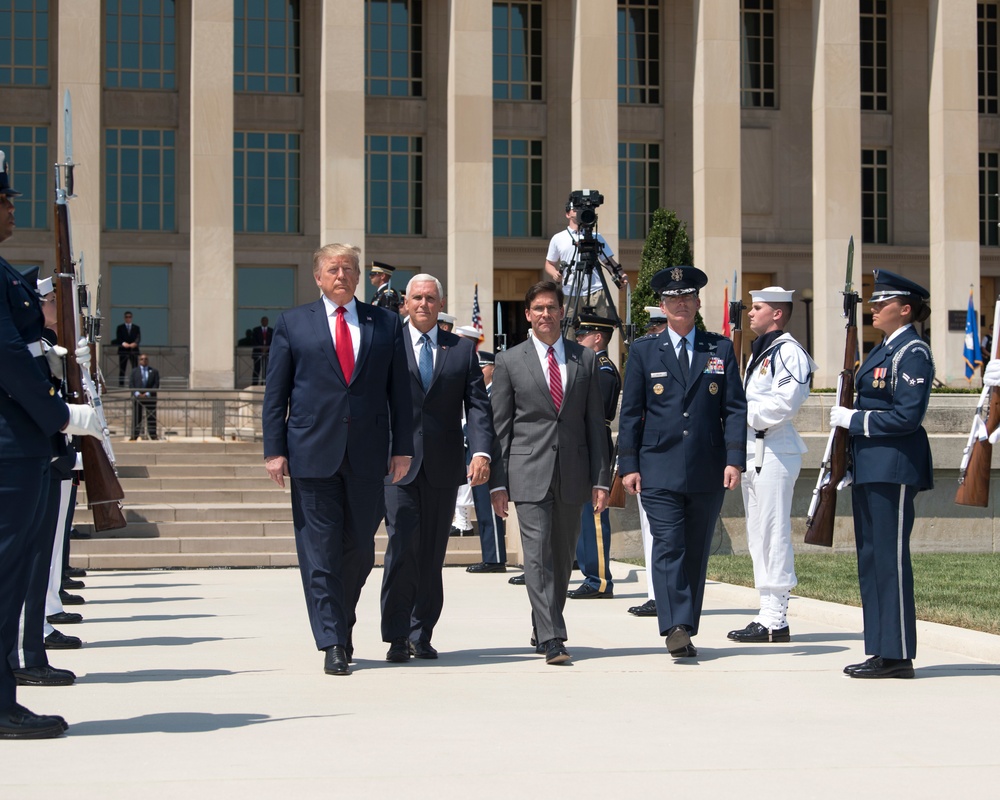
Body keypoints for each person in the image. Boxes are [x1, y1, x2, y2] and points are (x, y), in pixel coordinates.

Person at [262, 243, 412, 677]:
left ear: (359, 275)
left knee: (360, 550)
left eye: (349, 268)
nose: (342, 275)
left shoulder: (384, 322)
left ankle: (338, 623)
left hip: (368, 456)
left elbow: (399, 392)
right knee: (320, 550)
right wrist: (275, 450)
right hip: (311, 453)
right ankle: (332, 640)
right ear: (318, 276)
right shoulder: (294, 324)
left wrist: (401, 448)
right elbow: (276, 394)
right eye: (334, 269)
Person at [0, 150, 103, 738]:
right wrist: (61, 414)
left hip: (23, 443)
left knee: (14, 578)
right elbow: (10, 358)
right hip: (12, 446)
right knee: (7, 574)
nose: (13, 210)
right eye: (6, 201)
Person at [617, 266, 746, 660]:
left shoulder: (719, 349)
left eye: (687, 298)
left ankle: (686, 626)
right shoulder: (643, 351)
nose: (681, 304)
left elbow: (735, 408)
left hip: (707, 467)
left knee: (695, 550)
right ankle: (674, 626)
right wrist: (628, 464)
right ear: (663, 305)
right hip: (657, 466)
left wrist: (734, 458)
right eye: (673, 299)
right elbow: (631, 412)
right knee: (668, 544)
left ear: (697, 303)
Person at [489, 281, 610, 665]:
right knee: (537, 556)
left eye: (551, 307)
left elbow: (595, 424)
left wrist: (601, 479)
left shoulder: (584, 360)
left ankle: (543, 623)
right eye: (538, 308)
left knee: (561, 557)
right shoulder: (509, 361)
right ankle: (554, 637)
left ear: (562, 313)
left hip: (573, 474)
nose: (545, 314)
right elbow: (500, 427)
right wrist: (498, 481)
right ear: (528, 315)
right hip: (528, 472)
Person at [379, 276, 496, 662]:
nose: (424, 304)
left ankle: (421, 632)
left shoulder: (461, 350)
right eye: (417, 298)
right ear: (405, 304)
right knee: (402, 548)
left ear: (440, 302)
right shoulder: (388, 345)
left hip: (445, 468)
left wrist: (481, 453)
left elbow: (479, 406)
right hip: (398, 467)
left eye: (431, 298)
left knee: (431, 553)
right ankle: (397, 635)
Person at [831, 269, 934, 680]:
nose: (874, 307)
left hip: (893, 465)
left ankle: (898, 653)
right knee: (871, 559)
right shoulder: (883, 350)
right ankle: (880, 648)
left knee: (889, 560)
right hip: (872, 466)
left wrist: (855, 421)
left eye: (882, 303)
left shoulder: (913, 352)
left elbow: (908, 417)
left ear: (905, 309)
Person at [727, 287, 816, 644]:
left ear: (777, 313)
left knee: (773, 532)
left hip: (775, 449)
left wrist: (738, 415)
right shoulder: (762, 351)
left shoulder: (790, 353)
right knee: (758, 534)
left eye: (758, 307)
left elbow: (784, 405)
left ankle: (776, 617)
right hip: (754, 449)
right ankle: (767, 612)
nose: (750, 313)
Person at [567, 315, 621, 600]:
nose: (578, 339)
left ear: (598, 337)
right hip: (582, 443)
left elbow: (593, 412)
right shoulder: (589, 366)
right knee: (584, 514)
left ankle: (599, 578)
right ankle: (589, 572)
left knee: (596, 513)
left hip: (595, 444)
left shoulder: (603, 369)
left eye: (583, 335)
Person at [628, 306, 668, 618]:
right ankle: (656, 593)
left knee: (660, 533)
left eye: (655, 329)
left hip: (660, 454)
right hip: (646, 454)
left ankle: (662, 595)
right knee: (649, 531)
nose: (652, 335)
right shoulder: (645, 357)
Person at [544, 198, 616, 329]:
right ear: (567, 214)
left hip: (595, 290)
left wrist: (621, 275)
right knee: (568, 330)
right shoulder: (558, 238)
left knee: (598, 329)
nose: (578, 212)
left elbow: (608, 261)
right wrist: (555, 274)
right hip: (570, 291)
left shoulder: (596, 236)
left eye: (580, 209)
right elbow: (549, 263)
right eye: (575, 209)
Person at [466, 351, 508, 574]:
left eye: (484, 366)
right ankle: (490, 555)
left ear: (493, 368)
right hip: (476, 454)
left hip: (492, 456)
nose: (481, 371)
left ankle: (495, 558)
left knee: (490, 509)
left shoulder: (497, 392)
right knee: (482, 509)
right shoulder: (479, 392)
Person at [129, 354, 159, 440]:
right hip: (137, 398)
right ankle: (134, 435)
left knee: (151, 416)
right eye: (142, 359)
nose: (144, 360)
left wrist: (148, 393)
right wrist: (137, 393)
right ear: (139, 361)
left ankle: (153, 435)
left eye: (146, 359)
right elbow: (131, 384)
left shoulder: (154, 371)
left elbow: (156, 384)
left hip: (150, 398)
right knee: (136, 417)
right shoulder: (134, 371)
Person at [114, 310, 141, 387]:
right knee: (122, 368)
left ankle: (135, 384)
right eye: (126, 317)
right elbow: (118, 338)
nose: (128, 318)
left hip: (133, 351)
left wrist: (134, 343)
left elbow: (138, 338)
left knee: (135, 368)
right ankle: (121, 384)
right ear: (124, 318)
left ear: (131, 318)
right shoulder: (120, 327)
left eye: (129, 317)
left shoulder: (136, 327)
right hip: (123, 350)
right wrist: (123, 343)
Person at [251, 316, 273, 385]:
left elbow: (273, 341)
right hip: (258, 353)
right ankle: (255, 383)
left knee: (267, 369)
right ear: (261, 322)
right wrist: (261, 348)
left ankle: (265, 383)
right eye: (263, 321)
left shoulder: (271, 330)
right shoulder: (256, 330)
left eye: (266, 321)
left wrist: (267, 348)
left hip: (268, 353)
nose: (265, 322)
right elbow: (254, 341)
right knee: (257, 368)